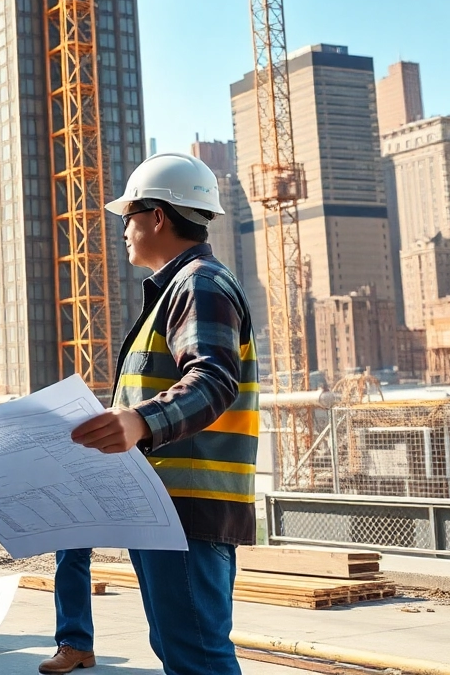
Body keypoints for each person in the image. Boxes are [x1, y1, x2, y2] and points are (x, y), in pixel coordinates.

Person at [70, 152, 258, 675]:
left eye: (128, 216)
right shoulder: (178, 289)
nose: (123, 230)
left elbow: (215, 379)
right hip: (167, 508)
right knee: (182, 650)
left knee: (197, 656)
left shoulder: (199, 283)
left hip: (186, 510)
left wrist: (138, 422)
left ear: (157, 216)